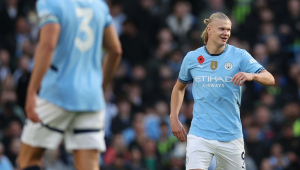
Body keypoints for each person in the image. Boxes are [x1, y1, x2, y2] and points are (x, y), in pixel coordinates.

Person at [17, 0, 122, 170]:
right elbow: (116, 50)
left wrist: (31, 92)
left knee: (28, 161)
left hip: (56, 94)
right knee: (88, 166)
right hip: (91, 99)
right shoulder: (98, 5)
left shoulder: (50, 2)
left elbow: (48, 44)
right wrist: (99, 85)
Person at [169, 12, 275, 170]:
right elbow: (179, 88)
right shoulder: (192, 58)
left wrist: (251, 75)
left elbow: (270, 78)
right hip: (200, 134)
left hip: (231, 135)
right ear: (209, 30)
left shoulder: (239, 56)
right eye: (222, 29)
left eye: (228, 29)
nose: (226, 33)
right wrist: (173, 118)